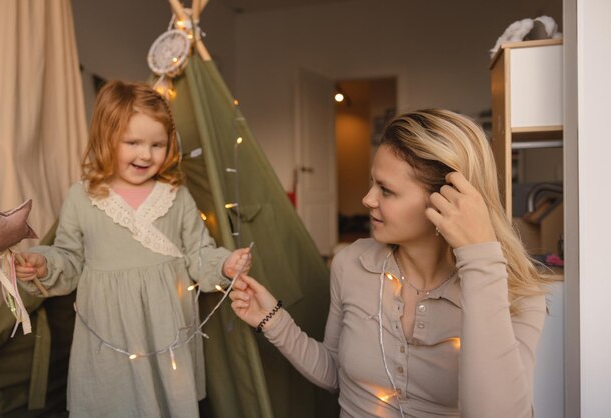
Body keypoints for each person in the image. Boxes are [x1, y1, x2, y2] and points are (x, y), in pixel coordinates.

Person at [230, 109, 548, 418]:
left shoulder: (513, 293)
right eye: (373, 183)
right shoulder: (351, 263)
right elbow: (335, 374)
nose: (368, 199)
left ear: (448, 200)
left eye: (386, 190)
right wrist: (272, 319)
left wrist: (480, 256)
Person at [14, 80, 251, 417]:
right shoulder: (82, 197)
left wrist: (225, 264)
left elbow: (199, 252)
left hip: (165, 333)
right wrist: (42, 263)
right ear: (106, 137)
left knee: (167, 404)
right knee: (110, 403)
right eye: (133, 142)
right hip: (107, 334)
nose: (146, 154)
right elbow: (68, 257)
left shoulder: (176, 195)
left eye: (158, 144)